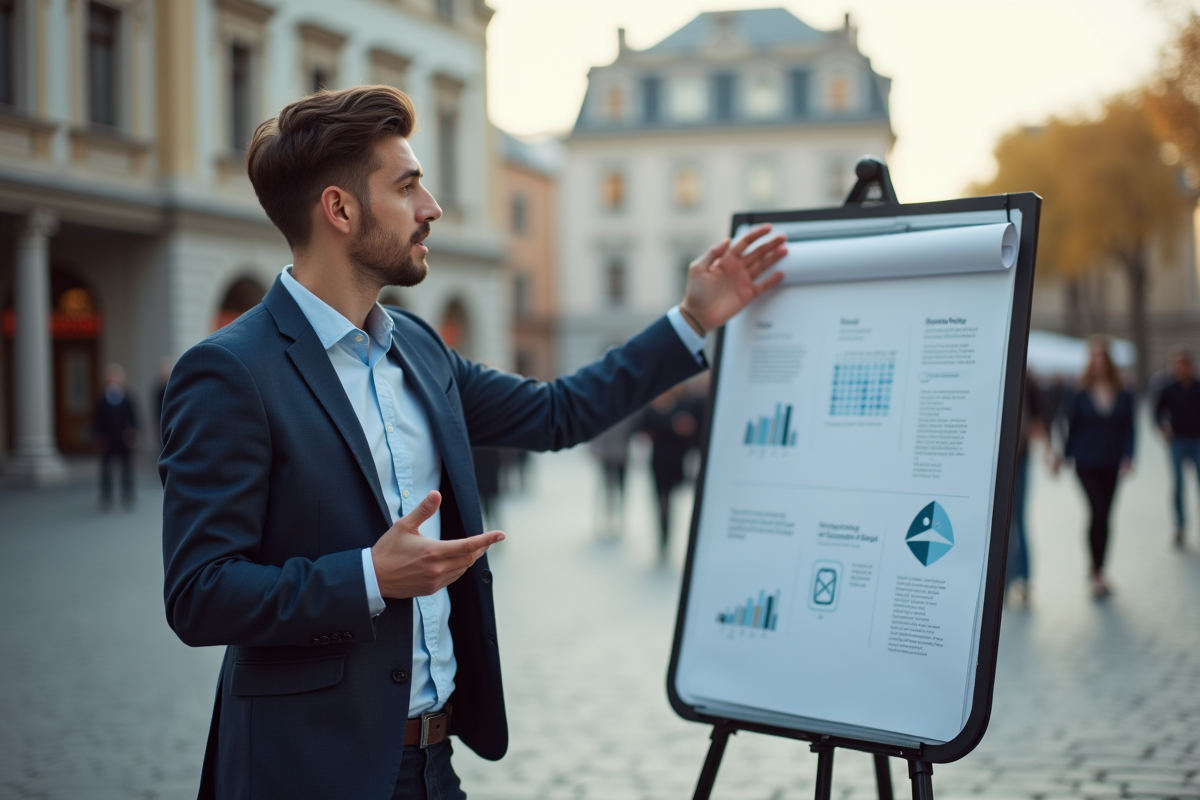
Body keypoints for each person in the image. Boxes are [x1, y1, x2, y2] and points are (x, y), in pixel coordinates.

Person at [158, 85, 786, 800]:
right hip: (307, 769)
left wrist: (691, 321)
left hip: (433, 761)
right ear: (339, 209)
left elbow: (557, 413)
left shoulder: (419, 349)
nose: (432, 209)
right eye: (408, 187)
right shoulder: (231, 371)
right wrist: (368, 576)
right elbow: (199, 593)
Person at [1056, 336, 1135, 600]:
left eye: (1102, 358)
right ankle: (1097, 574)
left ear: (1108, 361)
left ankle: (1099, 567)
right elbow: (1071, 423)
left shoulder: (1123, 391)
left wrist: (1130, 455)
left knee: (1106, 516)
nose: (1098, 362)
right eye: (1094, 358)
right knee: (1097, 511)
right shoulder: (1079, 391)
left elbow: (1129, 427)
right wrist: (1064, 455)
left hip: (1112, 460)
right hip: (1086, 460)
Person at [642, 386, 698, 563]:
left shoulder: (684, 405)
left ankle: (667, 538)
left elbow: (692, 431)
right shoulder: (652, 407)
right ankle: (663, 539)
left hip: (675, 461)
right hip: (658, 462)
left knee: (670, 502)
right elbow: (643, 428)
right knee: (661, 502)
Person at [1006, 374, 1048, 606]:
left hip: (1019, 459)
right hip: (991, 462)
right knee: (1000, 522)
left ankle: (1023, 578)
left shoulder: (1027, 380)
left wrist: (1047, 449)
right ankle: (1003, 581)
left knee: (1018, 519)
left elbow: (1040, 417)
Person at [1154, 345, 1200, 548]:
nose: (1182, 368)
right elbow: (1157, 412)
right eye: (1178, 364)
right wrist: (1163, 429)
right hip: (1178, 440)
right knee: (1179, 484)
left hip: (1197, 439)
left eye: (1185, 364)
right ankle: (1180, 526)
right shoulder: (1168, 389)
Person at [94, 363, 138, 509]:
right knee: (106, 469)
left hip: (123, 439)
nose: (113, 379)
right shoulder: (102, 398)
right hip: (108, 439)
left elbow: (133, 417)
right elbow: (97, 420)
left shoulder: (127, 397)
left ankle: (128, 495)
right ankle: (106, 496)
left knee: (127, 468)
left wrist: (132, 431)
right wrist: (99, 436)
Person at [587, 412, 638, 538]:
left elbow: (634, 429)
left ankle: (619, 517)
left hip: (622, 454)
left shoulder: (627, 410)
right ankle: (608, 518)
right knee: (608, 488)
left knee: (621, 488)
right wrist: (595, 447)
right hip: (607, 454)